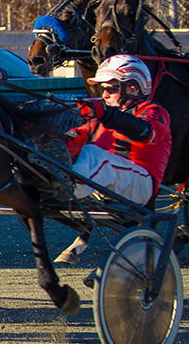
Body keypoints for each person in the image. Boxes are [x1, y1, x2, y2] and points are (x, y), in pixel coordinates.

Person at [53, 54, 171, 264]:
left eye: (111, 89)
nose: (104, 95)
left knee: (94, 154)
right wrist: (46, 142)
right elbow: (75, 136)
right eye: (102, 90)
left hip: (141, 185)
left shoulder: (155, 112)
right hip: (107, 184)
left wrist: (105, 114)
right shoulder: (101, 120)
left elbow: (145, 132)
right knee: (66, 148)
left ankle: (67, 188)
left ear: (133, 88)